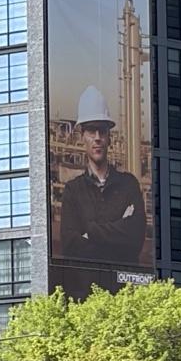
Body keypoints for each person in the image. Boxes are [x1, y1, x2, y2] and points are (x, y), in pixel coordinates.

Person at [58, 85, 146, 266]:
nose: (97, 137)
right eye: (91, 130)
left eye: (102, 131)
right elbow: (70, 247)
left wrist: (90, 232)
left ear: (109, 137)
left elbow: (135, 239)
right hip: (86, 288)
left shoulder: (128, 184)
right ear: (82, 136)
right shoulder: (73, 190)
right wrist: (118, 230)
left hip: (125, 289)